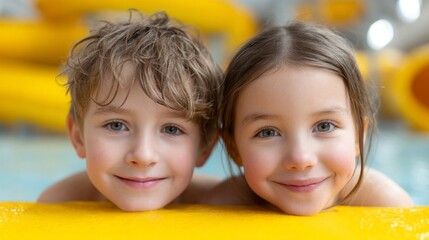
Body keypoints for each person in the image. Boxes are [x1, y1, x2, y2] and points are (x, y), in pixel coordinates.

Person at [207, 21, 413, 215]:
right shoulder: (222, 205)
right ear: (233, 147)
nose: (301, 158)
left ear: (359, 135)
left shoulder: (385, 205)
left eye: (324, 126)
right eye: (267, 132)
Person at [37, 11, 223, 212]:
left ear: (205, 147)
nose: (143, 155)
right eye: (116, 125)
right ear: (78, 137)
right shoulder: (59, 203)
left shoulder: (219, 202)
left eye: (171, 129)